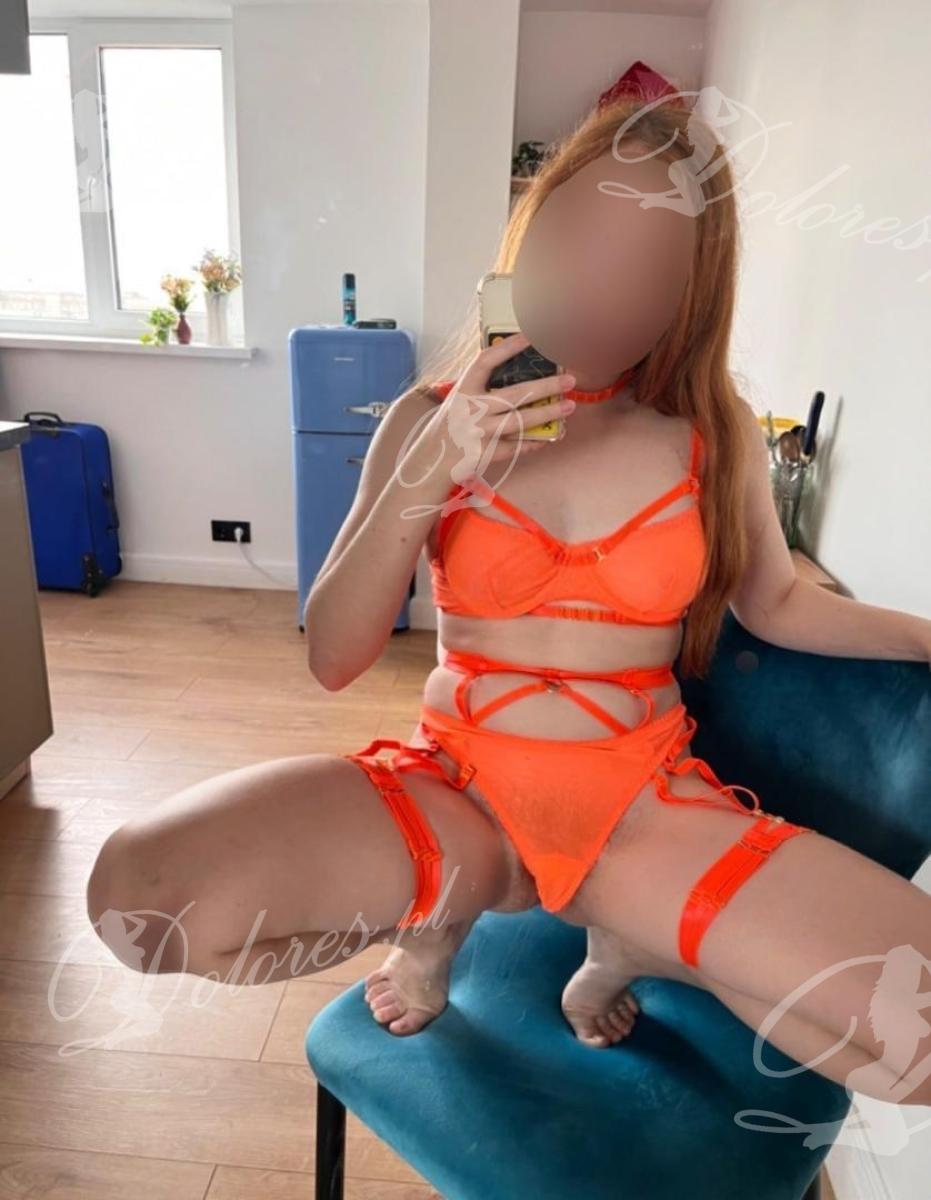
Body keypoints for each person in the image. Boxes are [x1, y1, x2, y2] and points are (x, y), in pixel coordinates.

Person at [88, 98, 931, 1106]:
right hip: (456, 790)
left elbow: (778, 604)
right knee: (141, 903)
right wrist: (429, 472)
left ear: (686, 299)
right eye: (575, 239)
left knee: (918, 1039)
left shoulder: (716, 431)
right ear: (523, 241)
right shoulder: (427, 416)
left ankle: (628, 944)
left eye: (645, 268)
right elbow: (334, 657)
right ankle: (433, 922)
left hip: (639, 808)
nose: (597, 288)